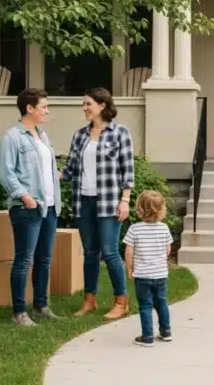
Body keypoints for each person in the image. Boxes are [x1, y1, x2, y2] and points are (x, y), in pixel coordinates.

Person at [60, 87, 135, 320]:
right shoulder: (80, 135)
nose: (84, 108)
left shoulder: (120, 133)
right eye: (83, 104)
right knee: (90, 252)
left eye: (88, 104)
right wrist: (45, 173)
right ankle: (89, 300)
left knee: (110, 252)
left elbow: (127, 171)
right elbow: (70, 170)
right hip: (84, 201)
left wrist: (125, 200)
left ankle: (121, 302)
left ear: (102, 106)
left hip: (110, 201)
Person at [0, 87, 62, 326]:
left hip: (49, 206)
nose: (47, 111)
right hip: (27, 208)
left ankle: (41, 306)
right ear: (30, 108)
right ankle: (19, 312)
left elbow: (42, 169)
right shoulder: (12, 137)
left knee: (44, 258)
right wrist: (24, 197)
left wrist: (57, 176)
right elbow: (7, 174)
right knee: (24, 259)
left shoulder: (42, 136)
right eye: (44, 106)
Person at [123, 190, 174, 347]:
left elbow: (129, 251)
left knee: (145, 305)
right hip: (160, 274)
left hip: (143, 275)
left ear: (139, 209)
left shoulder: (135, 229)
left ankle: (147, 336)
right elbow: (168, 249)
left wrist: (130, 267)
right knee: (161, 303)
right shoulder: (164, 228)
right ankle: (166, 332)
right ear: (161, 210)